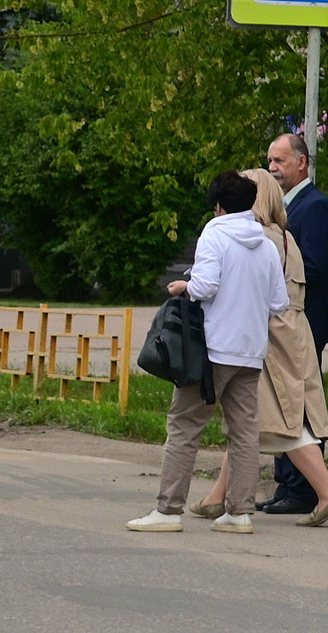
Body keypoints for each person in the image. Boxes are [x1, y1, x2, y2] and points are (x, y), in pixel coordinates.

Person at [132, 171, 286, 532]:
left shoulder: (214, 234)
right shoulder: (266, 244)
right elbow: (279, 302)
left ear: (217, 206)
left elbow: (206, 285)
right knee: (245, 432)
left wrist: (185, 285)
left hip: (212, 350)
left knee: (185, 426)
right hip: (250, 352)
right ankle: (240, 512)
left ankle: (168, 510)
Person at [192, 169, 328, 526]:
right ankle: (217, 497)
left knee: (281, 421)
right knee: (249, 420)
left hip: (270, 336)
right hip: (290, 331)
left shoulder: (261, 237)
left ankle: (327, 492)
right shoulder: (281, 236)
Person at [260, 132, 328, 512]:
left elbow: (317, 267)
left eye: (280, 161)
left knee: (296, 405)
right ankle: (288, 486)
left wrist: (279, 271)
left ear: (301, 163)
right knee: (277, 402)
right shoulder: (283, 209)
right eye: (270, 161)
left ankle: (304, 489)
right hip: (281, 324)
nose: (273, 168)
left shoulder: (314, 207)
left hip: (303, 323)